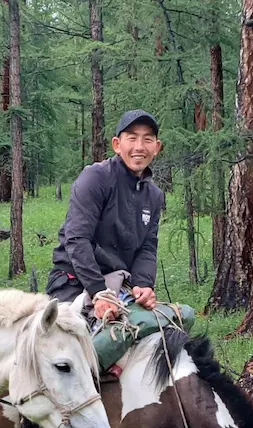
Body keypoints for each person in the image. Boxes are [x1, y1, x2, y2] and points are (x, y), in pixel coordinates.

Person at [46, 110, 165, 320]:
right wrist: (98, 292)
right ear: (117, 145)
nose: (139, 147)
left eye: (147, 139)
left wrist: (143, 285)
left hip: (119, 283)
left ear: (156, 147)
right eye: (132, 138)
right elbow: (77, 239)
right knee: (96, 343)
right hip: (74, 283)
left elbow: (147, 247)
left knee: (164, 328)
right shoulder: (96, 178)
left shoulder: (154, 196)